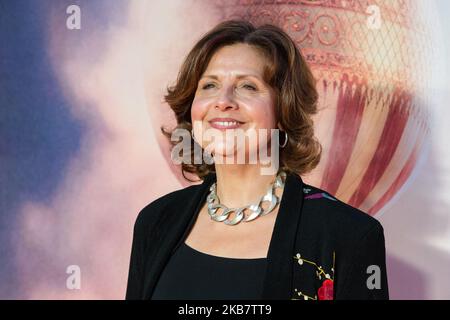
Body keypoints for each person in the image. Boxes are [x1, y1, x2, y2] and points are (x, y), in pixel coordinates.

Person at [125, 20, 389, 300]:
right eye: (209, 85)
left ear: (284, 109)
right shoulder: (155, 223)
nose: (223, 101)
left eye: (248, 87)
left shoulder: (349, 236)